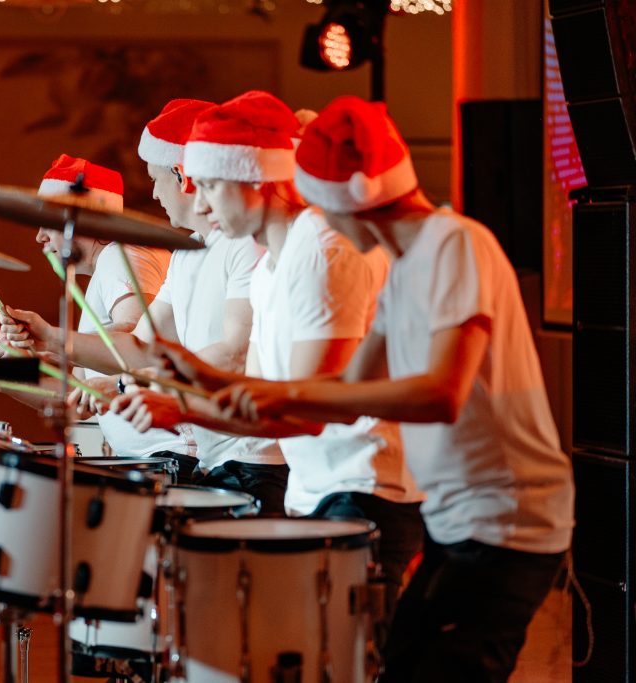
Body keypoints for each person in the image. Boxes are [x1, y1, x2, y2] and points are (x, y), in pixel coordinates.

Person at [205, 95, 574, 682]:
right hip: (459, 519)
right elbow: (349, 385)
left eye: (323, 208)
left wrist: (286, 397)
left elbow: (441, 394)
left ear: (351, 199)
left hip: (508, 518)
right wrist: (248, 393)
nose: (322, 224)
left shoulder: (454, 242)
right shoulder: (404, 266)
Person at [112, 91, 424, 619]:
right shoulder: (271, 267)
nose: (199, 204)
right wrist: (186, 379)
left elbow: (303, 412)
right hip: (315, 489)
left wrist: (180, 403)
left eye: (211, 185)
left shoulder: (321, 249)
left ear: (255, 180)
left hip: (364, 489)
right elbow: (262, 395)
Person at [1, 100, 288, 507]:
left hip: (255, 462)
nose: (153, 193)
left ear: (183, 175)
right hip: (215, 460)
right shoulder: (188, 254)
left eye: (156, 179)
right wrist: (49, 338)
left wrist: (125, 383)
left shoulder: (243, 243)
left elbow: (233, 353)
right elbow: (141, 345)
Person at [0, 154, 192, 466]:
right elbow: (75, 397)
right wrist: (4, 376)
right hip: (154, 459)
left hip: (170, 457)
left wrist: (50, 341)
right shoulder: (107, 270)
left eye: (49, 223)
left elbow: (135, 337)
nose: (39, 236)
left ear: (86, 221)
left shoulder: (120, 255)